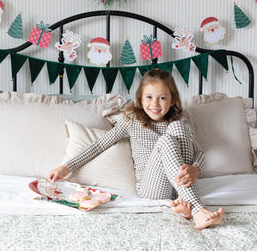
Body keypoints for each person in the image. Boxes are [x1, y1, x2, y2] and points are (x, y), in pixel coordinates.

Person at [48, 69, 224, 230]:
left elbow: (198, 152)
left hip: (181, 185)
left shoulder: (181, 120)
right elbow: (100, 145)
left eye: (162, 98)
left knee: (177, 127)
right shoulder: (132, 121)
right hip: (152, 188)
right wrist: (66, 167)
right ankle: (198, 210)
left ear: (173, 100)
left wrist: (195, 169)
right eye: (149, 97)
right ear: (140, 99)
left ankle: (183, 203)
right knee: (166, 141)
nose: (155, 103)